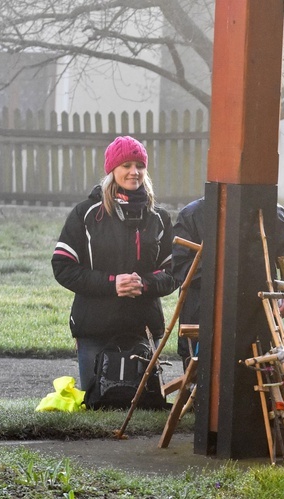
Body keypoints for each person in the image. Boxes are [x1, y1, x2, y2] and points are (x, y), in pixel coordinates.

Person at [52, 136, 177, 391]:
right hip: (94, 326)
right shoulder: (86, 213)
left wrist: (144, 283)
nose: (134, 172)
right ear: (112, 170)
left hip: (143, 328)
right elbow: (63, 267)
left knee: (142, 405)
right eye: (126, 165)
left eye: (139, 165)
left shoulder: (159, 218)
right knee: (97, 400)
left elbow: (174, 272)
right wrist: (113, 283)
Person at [172, 200, 284, 368]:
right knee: (200, 386)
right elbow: (181, 267)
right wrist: (226, 273)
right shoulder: (193, 214)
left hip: (259, 322)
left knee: (259, 382)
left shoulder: (272, 213)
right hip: (201, 321)